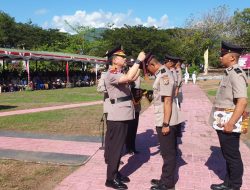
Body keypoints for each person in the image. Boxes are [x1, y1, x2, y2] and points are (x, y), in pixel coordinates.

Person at [104, 45, 145, 190]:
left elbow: (132, 77)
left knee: (119, 146)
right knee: (116, 148)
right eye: (122, 57)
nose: (124, 58)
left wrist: (140, 65)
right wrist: (138, 61)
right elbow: (128, 77)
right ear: (115, 60)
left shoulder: (118, 72)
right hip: (117, 116)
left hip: (123, 114)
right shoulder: (111, 73)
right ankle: (110, 179)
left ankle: (116, 173)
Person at [210, 41, 248, 190]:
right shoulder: (229, 72)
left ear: (232, 57)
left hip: (229, 122)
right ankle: (228, 183)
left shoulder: (236, 74)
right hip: (223, 120)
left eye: (222, 55)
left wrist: (231, 123)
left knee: (232, 156)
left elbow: (242, 101)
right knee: (228, 155)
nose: (220, 58)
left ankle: (235, 185)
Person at [144, 53, 180, 190]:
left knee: (168, 153)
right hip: (164, 117)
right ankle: (164, 178)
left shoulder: (164, 75)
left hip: (166, 120)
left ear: (153, 64)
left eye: (148, 69)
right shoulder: (161, 73)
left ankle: (167, 183)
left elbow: (168, 101)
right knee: (166, 152)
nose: (148, 72)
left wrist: (166, 124)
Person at [126, 73, 141, 155]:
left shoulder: (138, 76)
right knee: (129, 128)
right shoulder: (127, 75)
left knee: (134, 128)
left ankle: (133, 147)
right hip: (129, 106)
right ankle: (128, 147)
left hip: (136, 105)